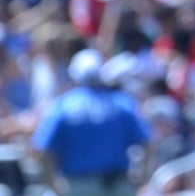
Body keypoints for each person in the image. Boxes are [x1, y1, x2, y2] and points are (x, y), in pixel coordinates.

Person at [30, 49, 151, 196]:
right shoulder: (122, 103)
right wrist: (142, 177)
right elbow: (147, 142)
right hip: (118, 186)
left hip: (79, 187)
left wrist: (53, 184)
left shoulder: (62, 106)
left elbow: (42, 150)